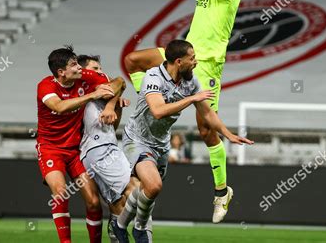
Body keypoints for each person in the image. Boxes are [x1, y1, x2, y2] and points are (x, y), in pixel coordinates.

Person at [124, 0, 241, 223]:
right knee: (132, 60)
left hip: (207, 66)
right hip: (183, 56)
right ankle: (151, 95)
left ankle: (221, 191)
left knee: (206, 129)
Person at [114, 40, 253, 243]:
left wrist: (227, 133)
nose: (196, 62)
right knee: (153, 186)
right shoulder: (153, 77)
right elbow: (158, 111)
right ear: (179, 61)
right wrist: (191, 99)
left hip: (161, 143)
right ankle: (140, 229)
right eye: (192, 58)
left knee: (148, 191)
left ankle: (119, 225)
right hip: (137, 139)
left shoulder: (190, 82)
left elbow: (206, 112)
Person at [36, 46, 124, 243]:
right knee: (60, 193)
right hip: (51, 149)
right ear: (61, 72)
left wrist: (112, 102)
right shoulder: (46, 86)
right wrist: (91, 95)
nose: (79, 68)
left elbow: (119, 82)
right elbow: (58, 106)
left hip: (76, 150)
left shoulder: (83, 76)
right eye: (73, 64)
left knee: (93, 202)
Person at [77, 55, 152, 243]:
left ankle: (115, 228)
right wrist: (113, 101)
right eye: (95, 68)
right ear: (84, 72)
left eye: (100, 67)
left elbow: (111, 124)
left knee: (119, 204)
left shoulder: (98, 93)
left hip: (100, 149)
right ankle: (140, 234)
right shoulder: (89, 88)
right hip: (100, 149)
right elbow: (120, 81)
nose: (100, 71)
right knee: (140, 188)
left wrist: (115, 107)